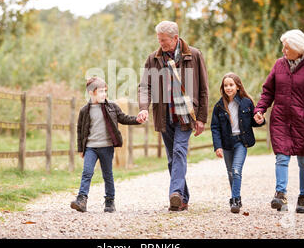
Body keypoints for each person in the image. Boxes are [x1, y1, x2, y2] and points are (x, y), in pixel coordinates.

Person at [137, 20, 209, 211]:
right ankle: (182, 199)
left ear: (175, 38)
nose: (161, 44)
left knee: (179, 151)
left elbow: (203, 89)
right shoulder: (153, 58)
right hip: (164, 115)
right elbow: (145, 86)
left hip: (186, 114)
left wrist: (201, 118)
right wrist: (144, 107)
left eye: (164, 40)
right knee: (172, 158)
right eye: (159, 40)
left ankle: (174, 193)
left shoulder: (193, 55)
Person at [253, 29, 304, 213]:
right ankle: (280, 194)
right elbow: (268, 90)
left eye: (287, 48)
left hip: (303, 122)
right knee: (281, 158)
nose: (284, 51)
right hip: (281, 120)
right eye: (283, 48)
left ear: (298, 48)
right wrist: (260, 109)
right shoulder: (279, 65)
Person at [71, 77, 143, 213]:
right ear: (91, 93)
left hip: (106, 147)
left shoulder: (112, 107)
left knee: (107, 174)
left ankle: (110, 202)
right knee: (87, 172)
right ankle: (81, 200)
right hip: (91, 147)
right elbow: (80, 130)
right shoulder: (84, 111)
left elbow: (123, 118)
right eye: (101, 92)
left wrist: (137, 120)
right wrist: (81, 149)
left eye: (105, 91)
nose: (104, 94)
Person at [211, 72, 265, 213]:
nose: (228, 88)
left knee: (236, 170)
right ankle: (236, 196)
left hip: (241, 142)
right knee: (230, 173)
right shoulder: (219, 106)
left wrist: (260, 120)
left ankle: (235, 200)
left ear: (238, 86)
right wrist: (218, 146)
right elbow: (215, 128)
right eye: (226, 85)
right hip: (227, 143)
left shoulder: (247, 102)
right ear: (223, 88)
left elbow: (254, 121)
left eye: (231, 85)